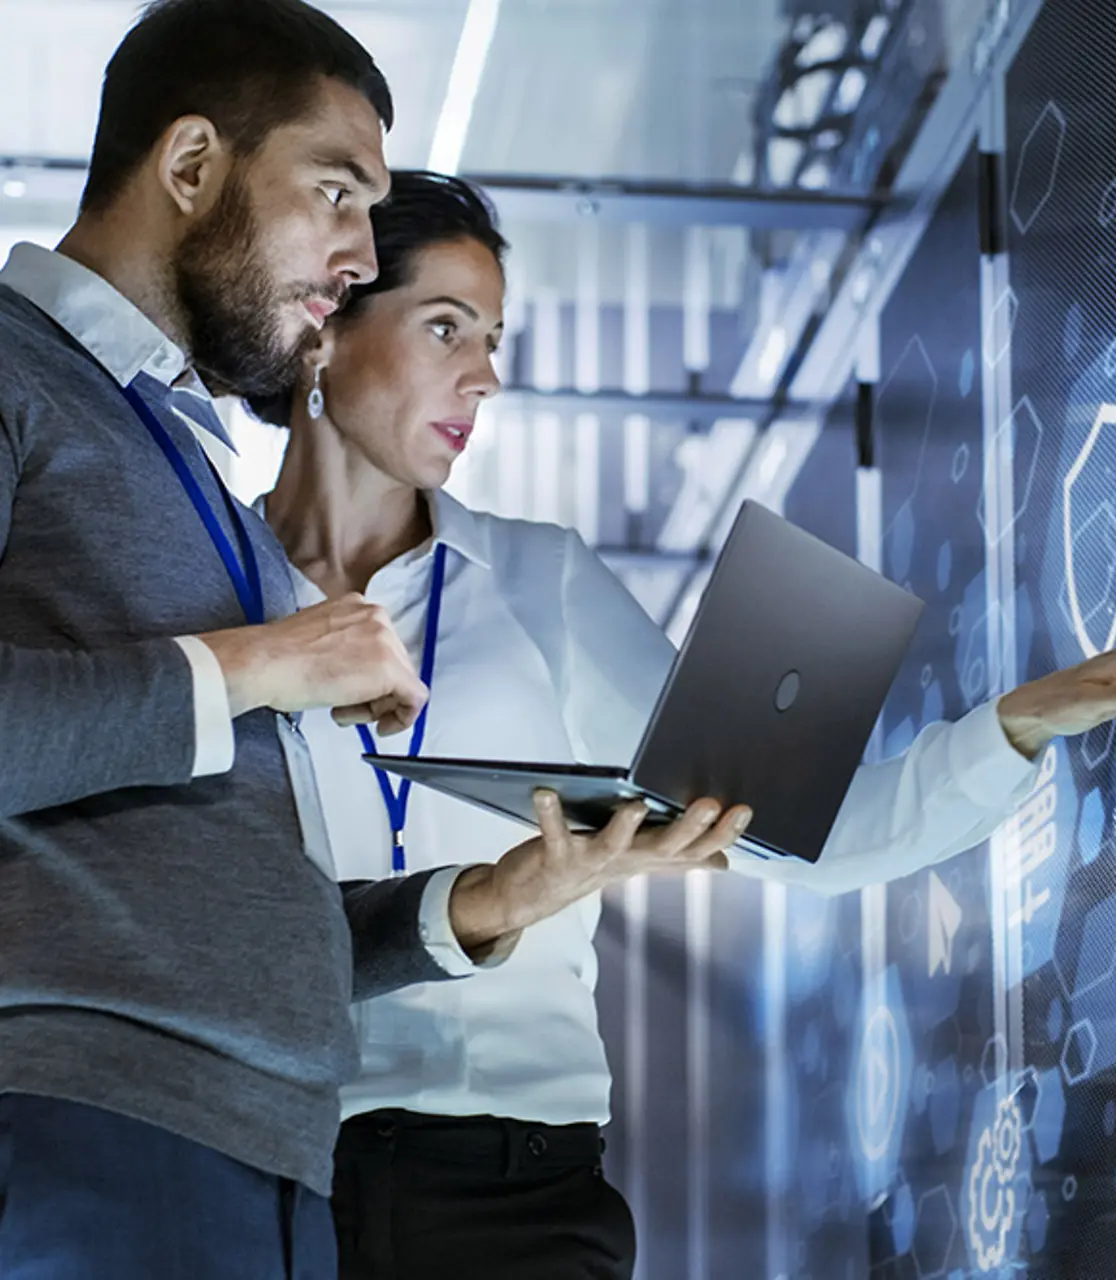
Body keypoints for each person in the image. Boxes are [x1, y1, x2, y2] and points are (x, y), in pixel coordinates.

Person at [252, 171, 1116, 1280]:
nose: (484, 376)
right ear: (324, 323)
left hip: (517, 1189)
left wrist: (1027, 718)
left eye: (492, 338)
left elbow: (801, 835)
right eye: (445, 326)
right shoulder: (213, 603)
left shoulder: (537, 578)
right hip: (271, 1176)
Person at [0, 5, 747, 1276]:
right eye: (335, 191)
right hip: (95, 1124)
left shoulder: (182, 464)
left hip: (271, 1160)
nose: (356, 252)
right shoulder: (16, 372)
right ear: (190, 167)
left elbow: (246, 908)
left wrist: (483, 904)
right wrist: (258, 663)